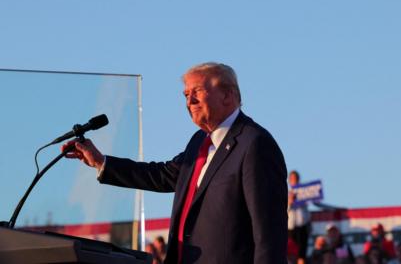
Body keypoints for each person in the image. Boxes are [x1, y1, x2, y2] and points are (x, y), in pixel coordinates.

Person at [62, 62, 288, 264]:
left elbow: (269, 232)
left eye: (197, 91)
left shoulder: (254, 144)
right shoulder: (199, 142)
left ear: (228, 95)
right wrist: (101, 162)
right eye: (186, 94)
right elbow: (161, 175)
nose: (189, 101)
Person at [288, 170, 311, 264]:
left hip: (302, 226)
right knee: (290, 252)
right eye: (292, 178)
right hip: (290, 227)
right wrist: (290, 202)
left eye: (296, 178)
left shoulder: (304, 193)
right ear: (289, 180)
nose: (294, 180)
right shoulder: (285, 193)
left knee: (301, 254)